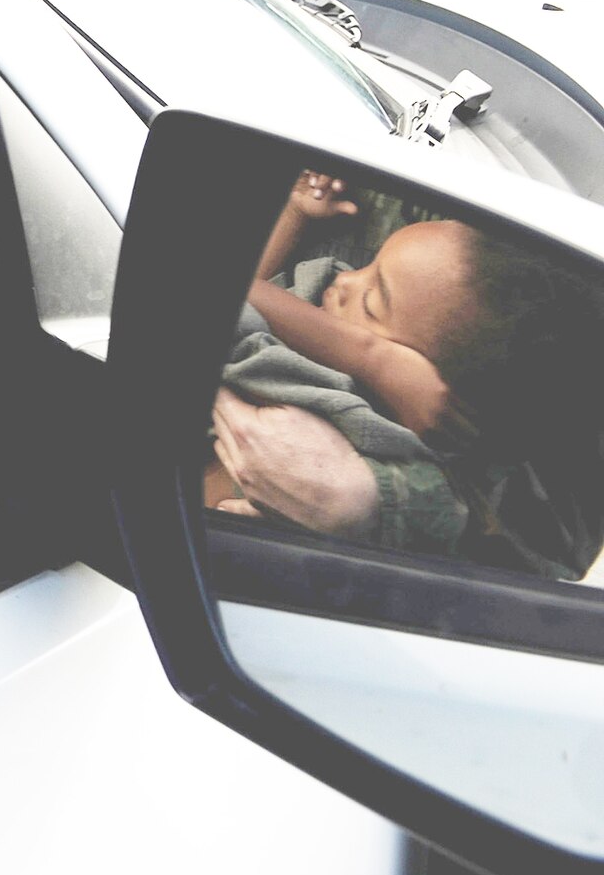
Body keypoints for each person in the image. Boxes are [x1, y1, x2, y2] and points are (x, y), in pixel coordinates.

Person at [213, 172, 604, 577]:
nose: (344, 279)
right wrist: (295, 216)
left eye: (370, 303)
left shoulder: (327, 393)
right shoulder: (369, 308)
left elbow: (216, 293)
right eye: (369, 266)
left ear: (432, 397)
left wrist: (371, 358)